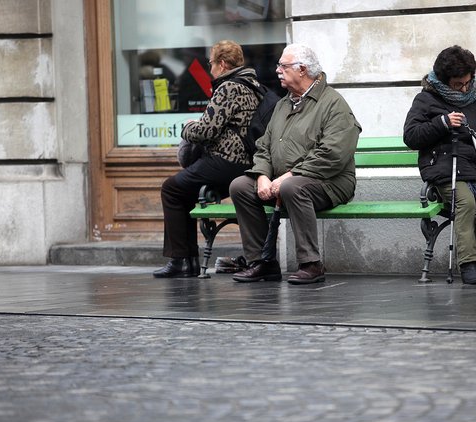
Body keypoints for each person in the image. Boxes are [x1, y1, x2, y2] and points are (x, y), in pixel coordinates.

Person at [229, 43, 362, 285]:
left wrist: (289, 176)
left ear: (302, 69)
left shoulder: (333, 104)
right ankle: (262, 262)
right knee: (240, 186)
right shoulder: (283, 104)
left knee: (293, 187)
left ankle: (311, 264)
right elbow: (264, 146)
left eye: (283, 65)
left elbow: (333, 154)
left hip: (330, 182)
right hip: (285, 180)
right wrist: (262, 176)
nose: (277, 70)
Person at [403, 45, 476, 285]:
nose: (464, 89)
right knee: (465, 203)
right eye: (457, 85)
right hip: (445, 167)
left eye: (467, 82)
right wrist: (442, 122)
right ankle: (470, 264)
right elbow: (411, 136)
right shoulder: (426, 99)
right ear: (444, 81)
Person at [153, 40, 262, 278]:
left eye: (211, 63)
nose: (209, 67)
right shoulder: (252, 85)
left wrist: (186, 128)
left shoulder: (229, 87)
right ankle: (186, 262)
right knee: (183, 191)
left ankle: (182, 261)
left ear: (222, 64)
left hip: (226, 161)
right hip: (245, 163)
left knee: (171, 189)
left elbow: (206, 131)